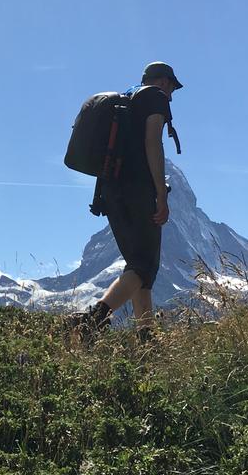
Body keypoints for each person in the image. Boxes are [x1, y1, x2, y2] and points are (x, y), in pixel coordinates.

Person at [73, 61, 183, 341]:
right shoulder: (154, 98)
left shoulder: (126, 99)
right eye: (171, 88)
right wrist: (160, 192)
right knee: (144, 266)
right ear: (163, 82)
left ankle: (147, 338)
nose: (171, 95)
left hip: (110, 191)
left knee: (138, 264)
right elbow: (152, 142)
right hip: (138, 190)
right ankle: (93, 320)